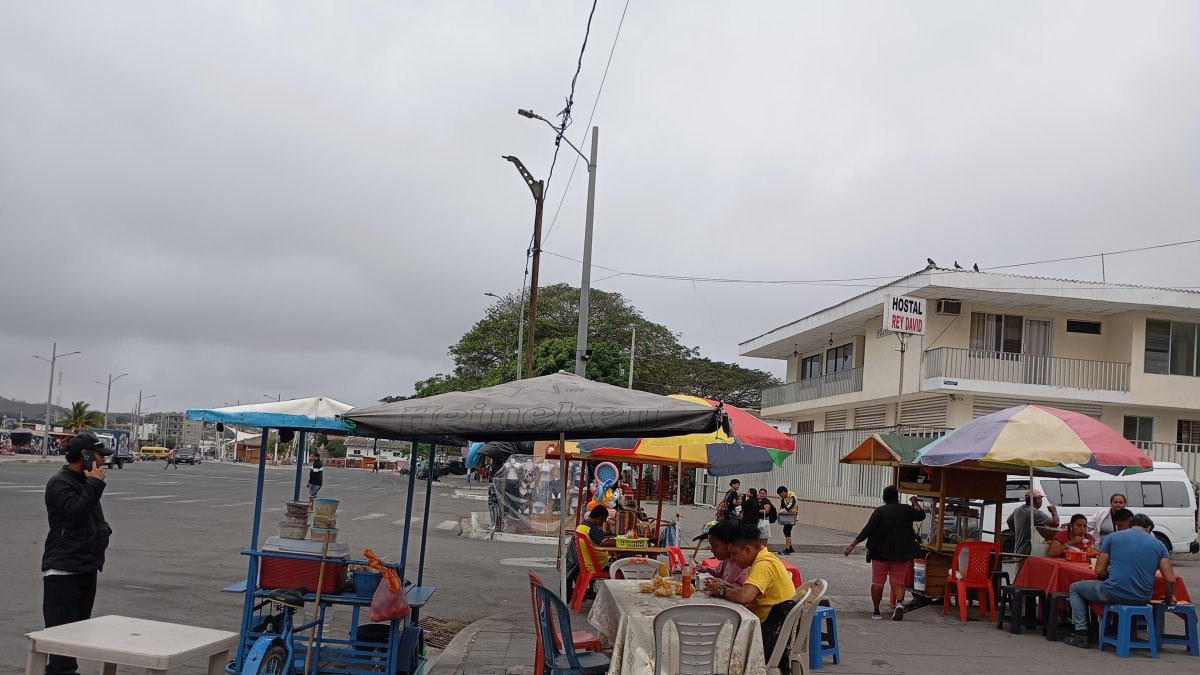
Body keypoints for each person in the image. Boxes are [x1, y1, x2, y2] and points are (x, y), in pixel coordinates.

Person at [42, 432, 113, 675]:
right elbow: (75, 512)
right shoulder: (60, 483)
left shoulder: (85, 481)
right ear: (84, 455)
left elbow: (94, 519)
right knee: (61, 636)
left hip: (86, 565)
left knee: (77, 633)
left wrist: (104, 533)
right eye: (98, 455)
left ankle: (64, 671)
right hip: (63, 569)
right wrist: (95, 484)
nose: (102, 461)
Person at [1063, 513, 1176, 648]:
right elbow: (1170, 580)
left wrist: (1114, 575)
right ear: (1149, 528)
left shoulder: (1112, 537)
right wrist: (1168, 599)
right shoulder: (1159, 545)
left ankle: (1081, 634)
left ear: (1130, 524)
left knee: (1075, 588)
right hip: (1142, 597)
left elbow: (1099, 571)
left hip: (1114, 592)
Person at [716, 524, 796, 672]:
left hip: (773, 636)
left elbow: (745, 596)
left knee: (720, 641)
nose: (732, 559)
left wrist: (721, 590)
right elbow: (748, 592)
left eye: (734, 554)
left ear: (747, 549)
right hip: (775, 627)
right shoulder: (765, 557)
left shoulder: (763, 565)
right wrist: (726, 586)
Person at [844, 485, 926, 620]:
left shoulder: (880, 511)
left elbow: (868, 529)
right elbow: (921, 515)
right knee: (898, 580)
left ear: (884, 498)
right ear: (897, 497)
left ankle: (876, 612)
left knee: (878, 581)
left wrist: (853, 544)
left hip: (880, 552)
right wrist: (914, 502)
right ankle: (899, 603)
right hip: (902, 553)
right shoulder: (906, 510)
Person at [570, 505, 612, 600]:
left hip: (587, 564)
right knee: (619, 568)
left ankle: (593, 591)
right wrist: (618, 542)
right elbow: (604, 543)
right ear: (599, 519)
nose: (602, 524)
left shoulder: (582, 526)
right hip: (598, 565)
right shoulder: (592, 528)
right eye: (603, 521)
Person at [1007, 488, 1059, 554]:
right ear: (1037, 500)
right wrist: (1054, 511)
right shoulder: (1034, 512)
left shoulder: (1018, 510)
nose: (1041, 501)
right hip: (1028, 550)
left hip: (1018, 549)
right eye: (1041, 499)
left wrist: (1016, 533)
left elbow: (1009, 521)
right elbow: (1056, 522)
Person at [702, 520, 749, 591]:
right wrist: (702, 569)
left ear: (728, 544)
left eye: (715, 546)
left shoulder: (742, 564)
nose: (712, 550)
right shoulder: (727, 559)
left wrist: (722, 588)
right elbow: (717, 572)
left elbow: (743, 592)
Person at [776, 486, 798, 555]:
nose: (780, 496)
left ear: (783, 492)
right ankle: (790, 547)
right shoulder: (784, 498)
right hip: (787, 515)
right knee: (786, 530)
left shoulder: (792, 495)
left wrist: (783, 510)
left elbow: (791, 504)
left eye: (780, 494)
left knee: (787, 530)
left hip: (792, 515)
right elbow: (782, 505)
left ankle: (787, 548)